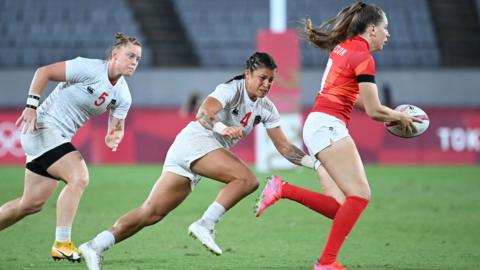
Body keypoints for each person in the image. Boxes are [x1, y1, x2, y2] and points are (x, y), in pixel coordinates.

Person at [79, 52, 319, 270]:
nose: (266, 85)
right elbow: (203, 112)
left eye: (271, 80)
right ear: (248, 74)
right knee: (246, 179)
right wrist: (222, 128)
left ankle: (95, 245)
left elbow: (285, 147)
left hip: (192, 153)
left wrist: (316, 164)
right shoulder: (232, 90)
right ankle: (206, 224)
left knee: (151, 213)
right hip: (195, 142)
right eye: (262, 78)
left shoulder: (266, 108)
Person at [254, 2, 422, 270]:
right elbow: (374, 110)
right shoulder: (363, 57)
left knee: (341, 207)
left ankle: (282, 189)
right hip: (328, 125)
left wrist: (389, 113)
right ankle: (326, 263)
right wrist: (400, 116)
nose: (388, 34)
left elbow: (356, 101)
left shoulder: (344, 49)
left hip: (320, 123)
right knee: (360, 195)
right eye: (385, 28)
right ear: (371, 29)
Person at [0, 32, 142, 263]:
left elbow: (117, 126)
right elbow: (43, 72)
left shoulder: (123, 95)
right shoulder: (87, 68)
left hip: (53, 138)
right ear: (115, 54)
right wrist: (31, 106)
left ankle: (59, 241)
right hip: (42, 127)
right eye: (130, 56)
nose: (134, 62)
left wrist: (113, 136)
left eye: (138, 58)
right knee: (79, 177)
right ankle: (62, 243)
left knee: (31, 203)